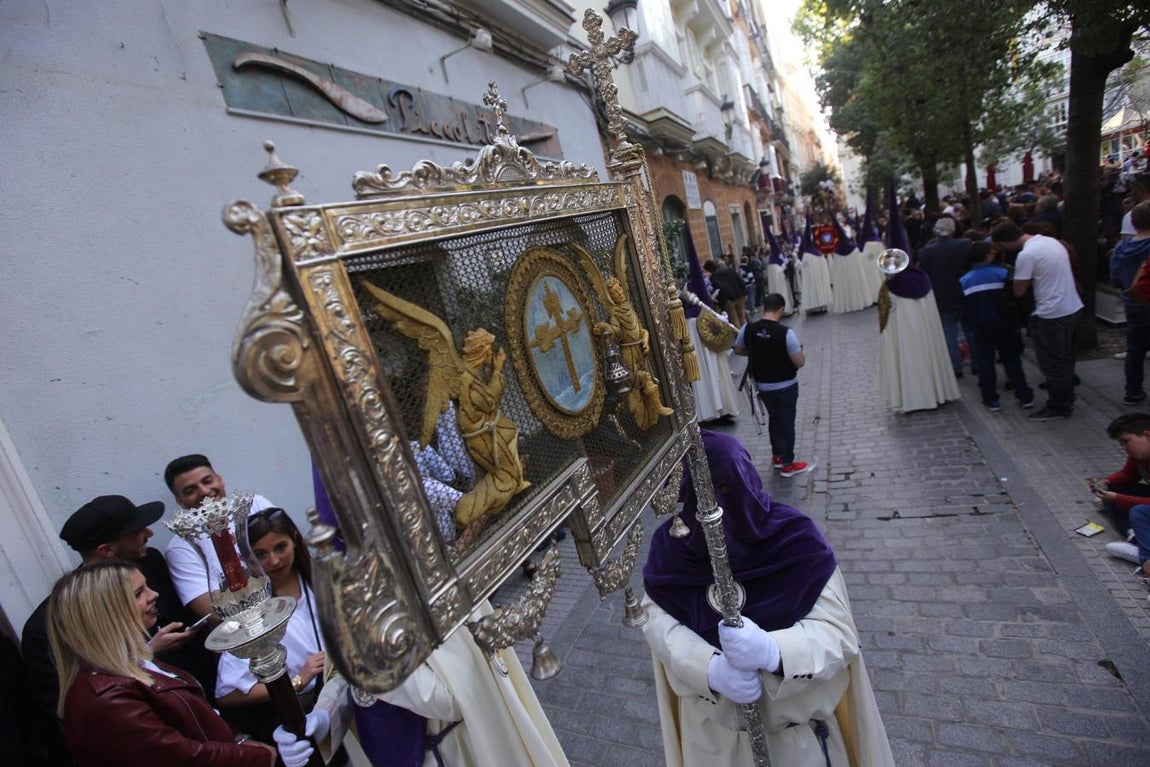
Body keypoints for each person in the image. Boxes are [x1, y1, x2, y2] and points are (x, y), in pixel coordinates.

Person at [271, 473, 570, 767]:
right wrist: (324, 718)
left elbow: (458, 699)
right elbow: (348, 681)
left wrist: (375, 667)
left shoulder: (436, 583)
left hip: (455, 753)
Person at [640, 430, 894, 767]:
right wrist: (710, 669)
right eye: (705, 493)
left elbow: (840, 634)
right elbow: (656, 623)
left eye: (728, 487)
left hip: (796, 741)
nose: (717, 505)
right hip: (712, 742)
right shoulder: (672, 548)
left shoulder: (795, 540)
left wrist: (775, 652)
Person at [22, 495, 212, 765]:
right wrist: (146, 654)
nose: (149, 533)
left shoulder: (150, 564)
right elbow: (69, 712)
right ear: (107, 551)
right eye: (137, 532)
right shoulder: (47, 626)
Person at [46, 559, 276, 767]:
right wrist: (262, 757)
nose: (154, 594)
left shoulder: (134, 661)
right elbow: (183, 758)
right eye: (138, 594)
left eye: (146, 587)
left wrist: (240, 740)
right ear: (106, 614)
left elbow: (200, 719)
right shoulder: (107, 700)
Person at [215, 508, 328, 748]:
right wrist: (297, 681)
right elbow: (227, 694)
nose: (274, 561)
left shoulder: (323, 579)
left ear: (295, 540)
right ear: (248, 558)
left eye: (280, 548)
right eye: (261, 554)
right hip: (304, 713)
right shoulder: (252, 610)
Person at [877, 181, 960, 414]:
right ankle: (935, 389)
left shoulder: (888, 289)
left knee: (907, 359)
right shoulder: (923, 280)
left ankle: (911, 395)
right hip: (925, 338)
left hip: (903, 340)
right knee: (929, 349)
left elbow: (884, 325)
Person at [163, 454, 276, 620]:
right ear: (180, 501)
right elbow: (211, 611)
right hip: (241, 630)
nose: (204, 491)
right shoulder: (181, 546)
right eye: (190, 490)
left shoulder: (255, 506)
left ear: (220, 479)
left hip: (291, 604)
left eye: (207, 481)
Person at [991, 221, 1083, 420]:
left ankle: (1059, 405)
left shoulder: (1026, 255)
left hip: (1050, 313)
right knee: (1065, 358)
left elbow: (1019, 290)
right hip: (1072, 305)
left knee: (1052, 363)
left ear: (1006, 242)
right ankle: (1067, 398)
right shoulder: (1051, 242)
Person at [734, 293, 814, 477]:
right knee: (787, 422)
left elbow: (738, 350)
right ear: (781, 310)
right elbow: (799, 361)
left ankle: (777, 455)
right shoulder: (786, 333)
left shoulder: (748, 328)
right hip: (786, 385)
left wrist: (755, 353)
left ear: (764, 308)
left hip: (763, 387)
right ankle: (788, 464)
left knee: (774, 419)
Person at [959, 242, 1035, 411]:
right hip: (1005, 324)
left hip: (980, 327)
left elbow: (963, 309)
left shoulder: (965, 280)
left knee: (986, 363)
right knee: (1013, 361)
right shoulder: (1003, 274)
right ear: (988, 256)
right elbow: (1015, 297)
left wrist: (970, 323)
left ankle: (991, 399)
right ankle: (1025, 396)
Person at [1091, 413, 1150, 577]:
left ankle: (1143, 555)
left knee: (1138, 512)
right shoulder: (1139, 455)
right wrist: (1106, 482)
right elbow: (1128, 474)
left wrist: (1118, 499)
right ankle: (1137, 540)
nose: (1124, 448)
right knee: (1114, 491)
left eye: (1126, 441)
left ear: (1147, 435)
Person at [917, 216, 973, 379]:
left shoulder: (926, 251)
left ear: (936, 231)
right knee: (970, 330)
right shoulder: (965, 245)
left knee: (949, 333)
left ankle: (956, 367)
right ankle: (977, 363)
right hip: (964, 291)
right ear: (953, 229)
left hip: (942, 295)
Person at [1110, 201, 1150, 405]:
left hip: (1132, 302)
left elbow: (1114, 276)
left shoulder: (1121, 246)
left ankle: (1133, 391)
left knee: (1135, 348)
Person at [797, 219, 832, 315]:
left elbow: (804, 272)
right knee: (820, 282)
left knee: (811, 284)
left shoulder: (806, 255)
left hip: (810, 271)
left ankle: (813, 305)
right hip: (818, 268)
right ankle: (822, 304)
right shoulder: (820, 254)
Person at [703, 258, 748, 328]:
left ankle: (740, 336)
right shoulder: (729, 270)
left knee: (734, 321)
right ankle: (746, 333)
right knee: (742, 317)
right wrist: (744, 293)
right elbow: (740, 281)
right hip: (739, 296)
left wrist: (721, 303)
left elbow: (719, 289)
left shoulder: (714, 277)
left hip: (728, 301)